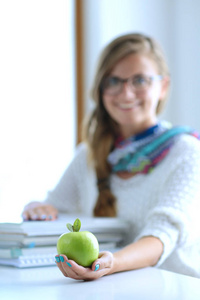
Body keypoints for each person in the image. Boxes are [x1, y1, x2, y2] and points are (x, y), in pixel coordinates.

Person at [22, 33, 200, 280]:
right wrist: (37, 209)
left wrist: (111, 263)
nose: (126, 94)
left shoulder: (188, 151)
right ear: (101, 89)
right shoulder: (88, 154)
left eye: (139, 80)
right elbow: (56, 207)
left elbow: (163, 234)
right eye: (114, 81)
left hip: (175, 289)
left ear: (163, 86)